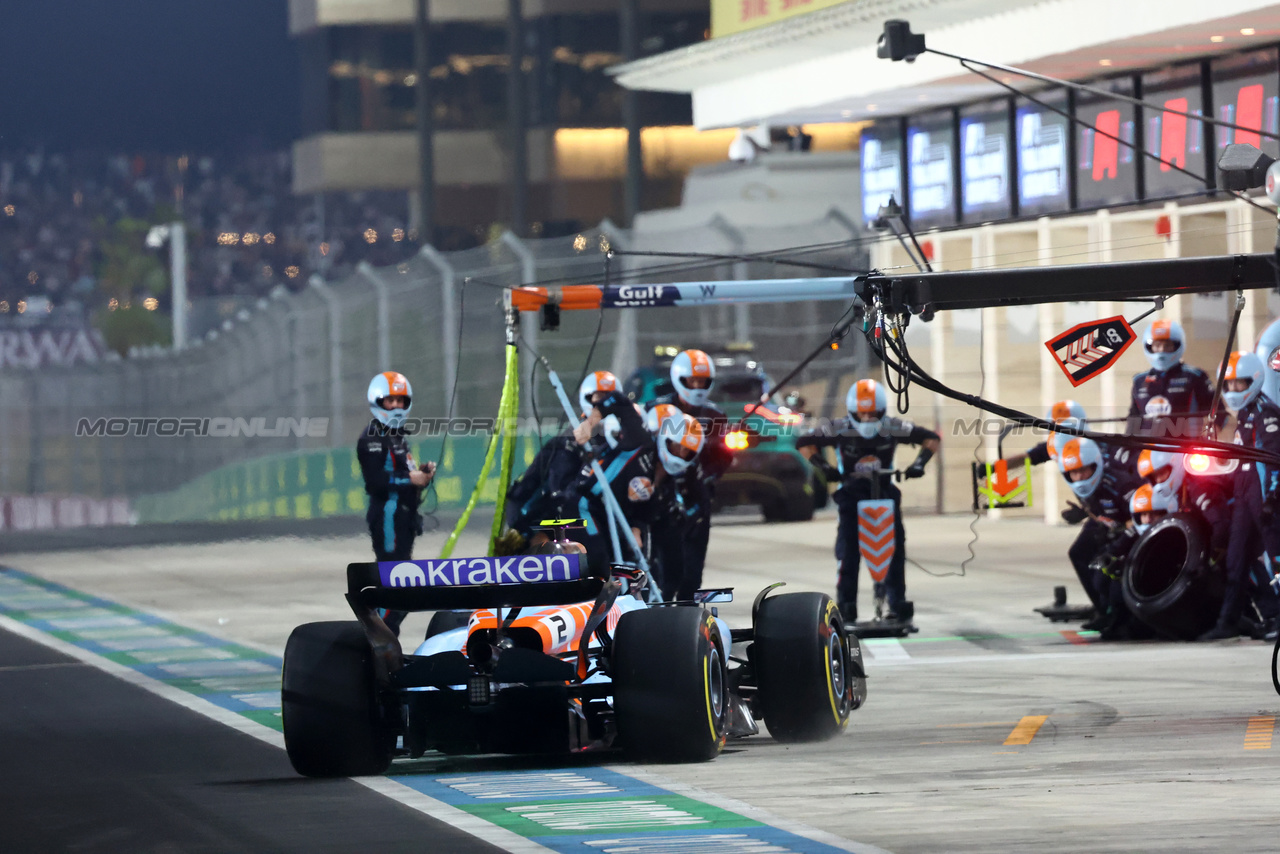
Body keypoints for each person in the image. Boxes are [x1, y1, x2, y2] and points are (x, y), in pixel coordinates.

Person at [796, 379, 940, 624]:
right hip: (851, 495)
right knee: (848, 552)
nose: (866, 418)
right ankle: (847, 604)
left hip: (884, 493)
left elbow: (931, 438)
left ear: (882, 411)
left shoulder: (893, 427)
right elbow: (804, 443)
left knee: (894, 549)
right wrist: (825, 467)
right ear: (852, 411)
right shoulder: (839, 427)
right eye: (861, 413)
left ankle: (897, 602)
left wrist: (919, 464)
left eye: (872, 413)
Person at [1200, 352, 1280, 640]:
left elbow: (1274, 459)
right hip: (1245, 494)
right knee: (1236, 559)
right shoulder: (1244, 415)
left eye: (1239, 384)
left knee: (1275, 558)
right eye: (1229, 385)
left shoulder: (1266, 413)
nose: (1233, 391)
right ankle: (1228, 622)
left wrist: (1272, 497)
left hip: (1265, 497)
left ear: (1255, 380)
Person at [645, 350, 733, 600]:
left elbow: (724, 456)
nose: (697, 386)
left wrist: (707, 477)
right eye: (692, 380)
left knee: (692, 571)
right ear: (679, 378)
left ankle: (688, 618)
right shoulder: (657, 410)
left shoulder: (716, 416)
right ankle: (656, 610)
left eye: (702, 381)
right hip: (660, 498)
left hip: (696, 498)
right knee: (660, 566)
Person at [357, 372, 435, 634]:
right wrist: (411, 479)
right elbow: (376, 483)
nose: (397, 407)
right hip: (388, 517)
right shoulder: (371, 437)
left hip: (405, 519)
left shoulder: (397, 436)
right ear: (378, 401)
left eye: (401, 401)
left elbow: (404, 471)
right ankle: (377, 642)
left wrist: (421, 474)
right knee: (395, 587)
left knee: (403, 590)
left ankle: (386, 644)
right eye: (391, 401)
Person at [505, 371, 620, 543]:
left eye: (610, 397)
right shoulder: (563, 444)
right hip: (569, 521)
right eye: (600, 397)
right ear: (587, 399)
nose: (605, 403)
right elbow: (544, 490)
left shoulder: (623, 440)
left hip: (615, 518)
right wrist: (522, 528)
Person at [1057, 437, 1141, 622]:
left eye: (1082, 471)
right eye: (1073, 473)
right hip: (1105, 523)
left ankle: (1117, 611)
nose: (1078, 478)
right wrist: (1084, 513)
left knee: (1103, 562)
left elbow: (1141, 519)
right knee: (1078, 553)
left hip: (1128, 529)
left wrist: (1117, 532)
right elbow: (1098, 509)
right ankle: (1102, 610)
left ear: (1094, 466)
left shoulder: (1121, 484)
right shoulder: (1083, 485)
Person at [644, 405, 709, 600]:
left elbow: (701, 501)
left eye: (687, 450)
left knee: (680, 573)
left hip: (674, 523)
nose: (681, 452)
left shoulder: (690, 467)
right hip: (640, 526)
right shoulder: (640, 458)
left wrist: (686, 516)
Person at [1128, 320, 1215, 437]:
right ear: (1149, 347)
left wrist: (1209, 435)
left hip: (1187, 448)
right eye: (1157, 345)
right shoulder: (1139, 380)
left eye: (1167, 345)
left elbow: (1218, 410)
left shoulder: (1195, 376)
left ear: (1177, 346)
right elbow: (1133, 419)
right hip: (1147, 448)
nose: (1162, 350)